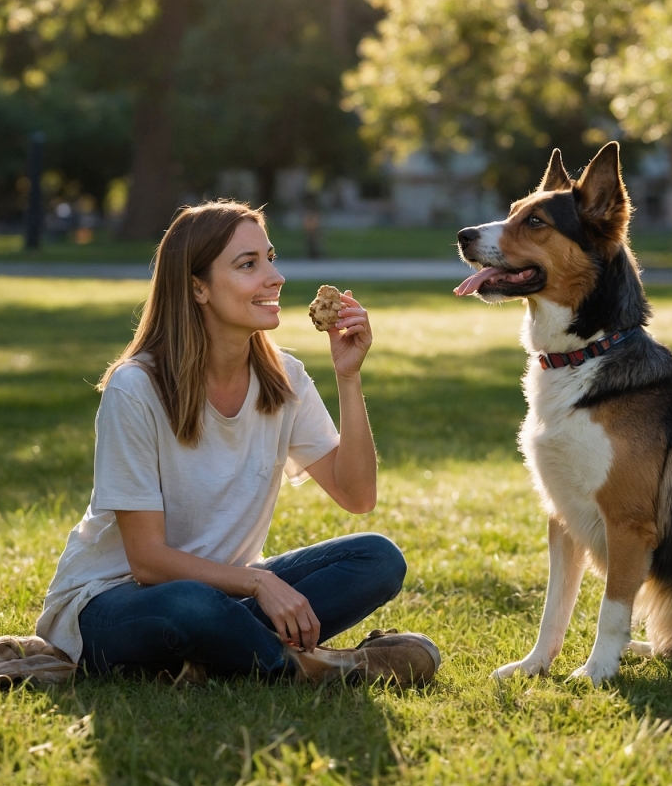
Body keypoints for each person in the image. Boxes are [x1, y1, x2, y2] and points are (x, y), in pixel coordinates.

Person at [35, 201, 438, 684]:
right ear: (197, 287)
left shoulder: (285, 377)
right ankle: (309, 667)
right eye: (249, 265)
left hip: (230, 595)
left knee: (377, 558)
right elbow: (146, 560)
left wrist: (348, 378)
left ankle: (231, 653)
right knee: (191, 606)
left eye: (270, 258)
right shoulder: (136, 387)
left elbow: (358, 495)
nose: (275, 277)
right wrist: (258, 580)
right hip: (113, 602)